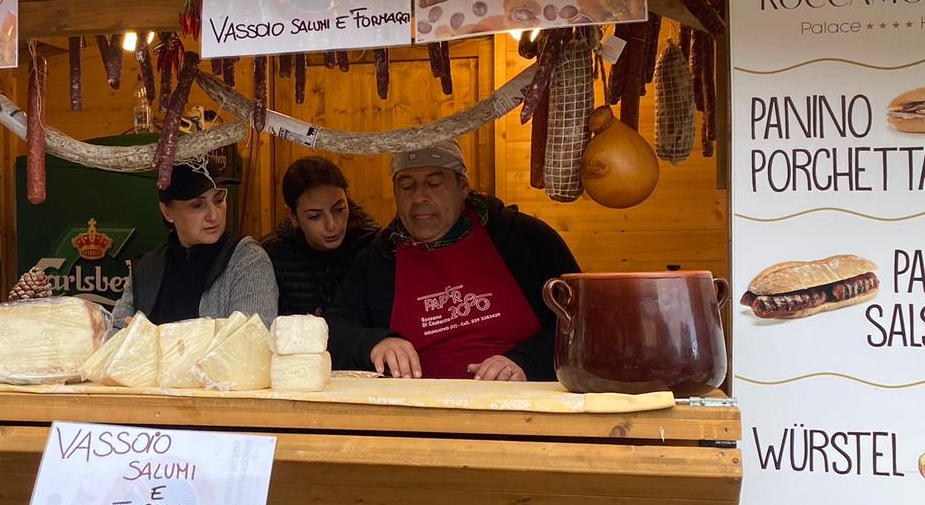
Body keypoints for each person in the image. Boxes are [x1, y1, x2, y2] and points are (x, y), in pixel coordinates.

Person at [326, 140, 578, 381]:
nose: (419, 197)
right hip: (415, 405)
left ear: (463, 186)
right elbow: (333, 330)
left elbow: (582, 320)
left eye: (434, 183)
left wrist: (527, 362)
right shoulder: (377, 259)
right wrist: (374, 343)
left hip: (521, 402)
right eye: (407, 186)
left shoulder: (525, 239)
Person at [110, 154, 278, 328]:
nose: (214, 215)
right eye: (198, 205)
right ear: (167, 212)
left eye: (219, 200)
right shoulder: (146, 268)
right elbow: (114, 334)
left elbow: (251, 338)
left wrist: (151, 338)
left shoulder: (247, 260)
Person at [260, 157, 381, 317]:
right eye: (315, 216)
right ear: (293, 217)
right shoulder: (271, 255)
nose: (331, 225)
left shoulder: (374, 246)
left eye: (339, 209)